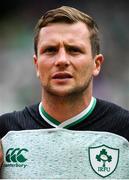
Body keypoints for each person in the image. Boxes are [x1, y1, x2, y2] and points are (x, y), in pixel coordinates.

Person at [0, 6, 129, 179]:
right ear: (36, 65)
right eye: (50, 50)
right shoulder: (5, 132)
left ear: (96, 64)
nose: (61, 60)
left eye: (74, 50)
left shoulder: (124, 130)